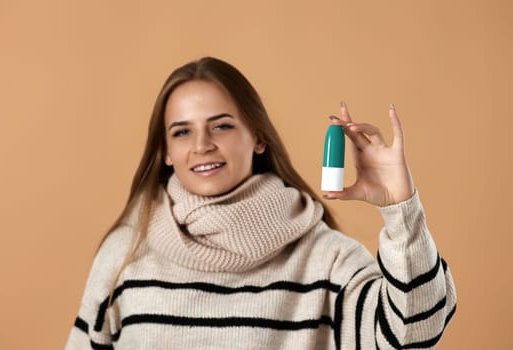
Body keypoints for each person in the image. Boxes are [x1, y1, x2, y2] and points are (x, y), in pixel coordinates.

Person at [65, 57, 456, 349]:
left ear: (258, 137)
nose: (202, 145)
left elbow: (412, 333)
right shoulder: (125, 253)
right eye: (182, 132)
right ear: (166, 151)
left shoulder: (324, 259)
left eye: (221, 125)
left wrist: (400, 210)